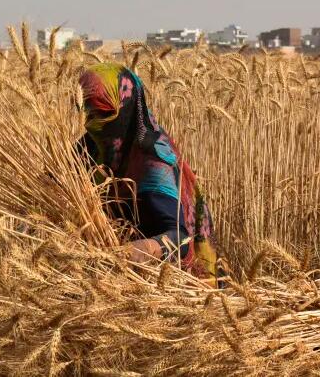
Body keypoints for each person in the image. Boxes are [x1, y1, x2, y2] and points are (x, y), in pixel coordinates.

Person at [77, 63, 218, 286]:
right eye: (88, 111)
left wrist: (142, 249)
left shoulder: (154, 163)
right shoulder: (90, 147)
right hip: (115, 282)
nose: (92, 122)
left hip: (178, 287)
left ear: (125, 108)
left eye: (103, 113)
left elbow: (182, 240)